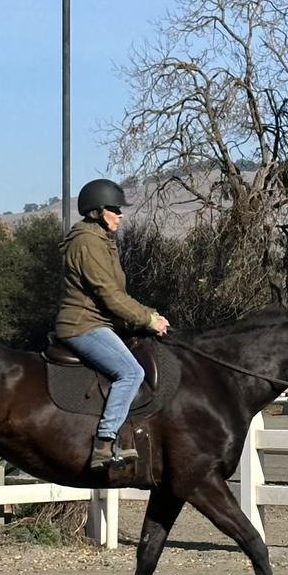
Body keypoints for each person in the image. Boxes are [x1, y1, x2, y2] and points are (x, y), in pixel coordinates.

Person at [54, 178, 170, 469]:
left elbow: (118, 294)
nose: (120, 214)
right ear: (97, 211)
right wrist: (147, 319)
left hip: (98, 322)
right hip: (83, 325)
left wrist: (150, 315)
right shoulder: (87, 242)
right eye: (114, 209)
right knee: (131, 372)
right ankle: (105, 443)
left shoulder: (101, 241)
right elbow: (108, 294)